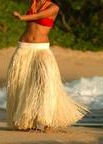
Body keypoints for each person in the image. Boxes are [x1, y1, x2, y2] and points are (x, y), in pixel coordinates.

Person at [7, 0, 89, 132]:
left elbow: (38, 16)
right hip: (23, 48)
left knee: (46, 83)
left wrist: (22, 17)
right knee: (22, 83)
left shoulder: (54, 7)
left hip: (42, 50)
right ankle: (26, 121)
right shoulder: (33, 3)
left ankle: (48, 121)